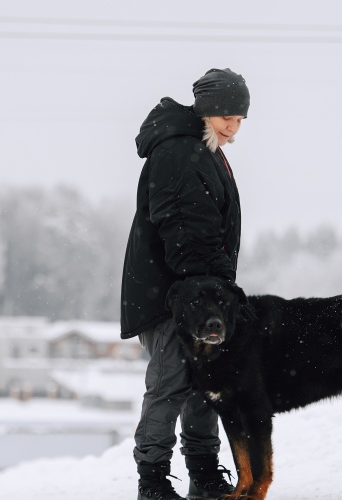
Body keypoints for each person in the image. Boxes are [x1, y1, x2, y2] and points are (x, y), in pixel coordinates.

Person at [120, 68, 250, 500]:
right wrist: (210, 298)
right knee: (171, 386)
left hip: (195, 295)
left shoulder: (200, 147)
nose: (233, 127)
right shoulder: (180, 151)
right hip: (174, 298)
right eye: (227, 117)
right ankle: (153, 482)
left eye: (240, 119)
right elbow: (186, 232)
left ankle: (205, 476)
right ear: (207, 110)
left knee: (203, 385)